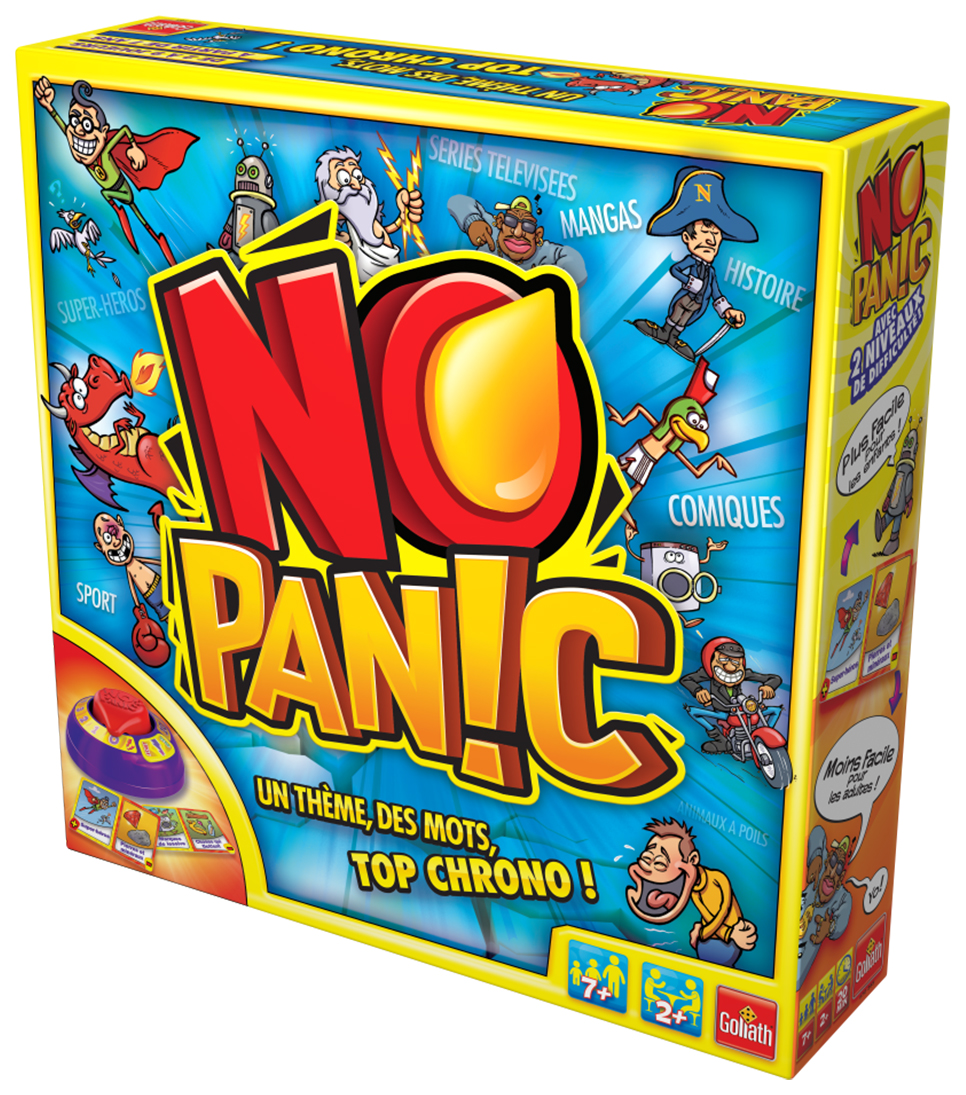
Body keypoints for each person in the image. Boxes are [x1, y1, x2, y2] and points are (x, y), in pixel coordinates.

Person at [34, 77, 196, 267]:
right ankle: (123, 214)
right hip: (111, 192)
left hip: (123, 191)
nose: (79, 130)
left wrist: (134, 147)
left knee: (139, 218)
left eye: (87, 125)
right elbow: (64, 127)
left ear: (104, 132)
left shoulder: (104, 152)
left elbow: (125, 130)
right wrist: (49, 106)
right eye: (74, 120)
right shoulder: (84, 153)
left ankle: (141, 228)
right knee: (126, 209)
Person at [630, 167, 757, 360]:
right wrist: (690, 282)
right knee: (678, 313)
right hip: (685, 297)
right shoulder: (690, 260)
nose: (711, 241)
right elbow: (675, 269)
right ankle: (665, 331)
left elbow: (716, 293)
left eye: (716, 234)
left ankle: (673, 337)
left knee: (685, 319)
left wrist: (727, 310)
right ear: (686, 238)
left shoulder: (711, 272)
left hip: (698, 305)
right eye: (704, 234)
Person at [626, 818, 757, 968]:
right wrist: (701, 928)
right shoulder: (692, 887)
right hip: (710, 938)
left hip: (728, 941)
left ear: (693, 859)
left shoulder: (717, 878)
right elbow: (708, 912)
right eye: (648, 857)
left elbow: (723, 912)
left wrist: (726, 933)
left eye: (660, 863)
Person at [315, 145, 423, 282]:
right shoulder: (348, 232)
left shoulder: (369, 221)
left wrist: (403, 211)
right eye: (344, 179)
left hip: (392, 273)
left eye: (358, 176)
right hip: (367, 282)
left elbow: (386, 230)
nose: (356, 185)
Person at [448, 193, 587, 286]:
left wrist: (551, 283)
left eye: (528, 226)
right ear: (500, 221)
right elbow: (456, 201)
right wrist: (472, 221)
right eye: (511, 221)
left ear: (537, 235)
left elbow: (576, 265)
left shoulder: (544, 253)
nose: (517, 232)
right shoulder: (490, 229)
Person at [680, 637, 782, 753]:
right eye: (724, 660)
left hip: (743, 708)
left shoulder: (742, 673)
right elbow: (686, 679)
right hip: (723, 711)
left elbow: (774, 678)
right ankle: (721, 740)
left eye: (735, 662)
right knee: (693, 712)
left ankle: (765, 735)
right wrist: (698, 690)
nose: (730, 667)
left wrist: (769, 686)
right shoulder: (709, 672)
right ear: (710, 661)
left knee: (776, 710)